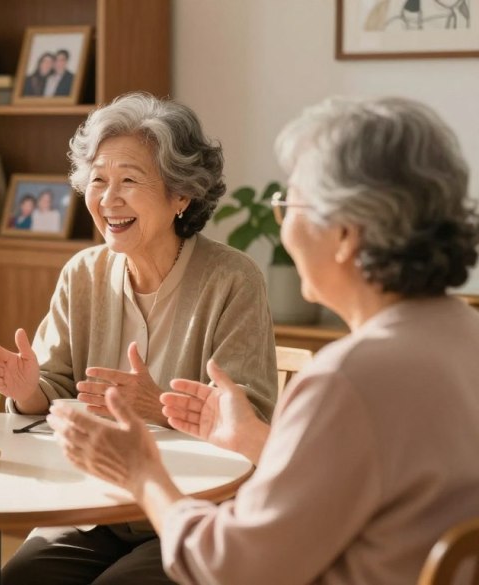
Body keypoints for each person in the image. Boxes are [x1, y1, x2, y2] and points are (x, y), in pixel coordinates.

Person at [49, 96, 479, 584]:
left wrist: (143, 475)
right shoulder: (464, 336)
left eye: (288, 203)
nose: (283, 225)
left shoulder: (346, 380)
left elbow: (228, 568)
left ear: (344, 233)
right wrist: (255, 440)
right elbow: (355, 483)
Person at [0, 92, 277, 585]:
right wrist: (27, 390)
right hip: (94, 503)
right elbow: (56, 389)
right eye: (98, 179)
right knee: (21, 578)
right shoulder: (83, 273)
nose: (107, 198)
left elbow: (248, 422)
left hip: (194, 509)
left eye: (129, 180)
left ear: (181, 194)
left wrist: (159, 405)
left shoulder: (233, 279)